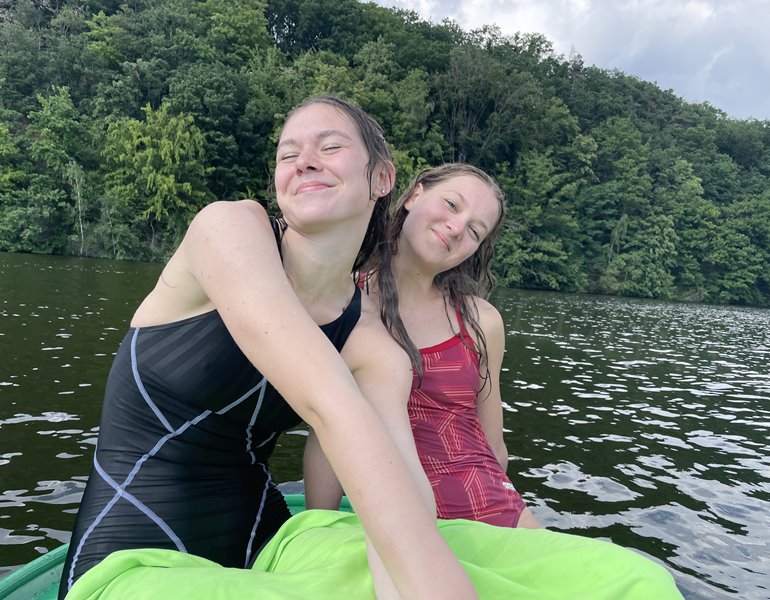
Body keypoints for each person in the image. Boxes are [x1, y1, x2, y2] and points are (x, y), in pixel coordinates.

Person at [58, 96, 476, 600]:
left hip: (267, 543)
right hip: (129, 557)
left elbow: (401, 480)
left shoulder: (370, 337)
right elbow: (329, 404)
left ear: (382, 178)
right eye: (288, 154)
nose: (304, 161)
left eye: (330, 147)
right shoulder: (228, 229)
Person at [304, 164, 541, 529]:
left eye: (475, 231)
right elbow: (326, 430)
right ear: (415, 195)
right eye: (452, 204)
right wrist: (320, 529)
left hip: (494, 511)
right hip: (400, 520)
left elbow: (493, 446)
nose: (457, 228)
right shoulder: (341, 303)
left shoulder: (481, 321)